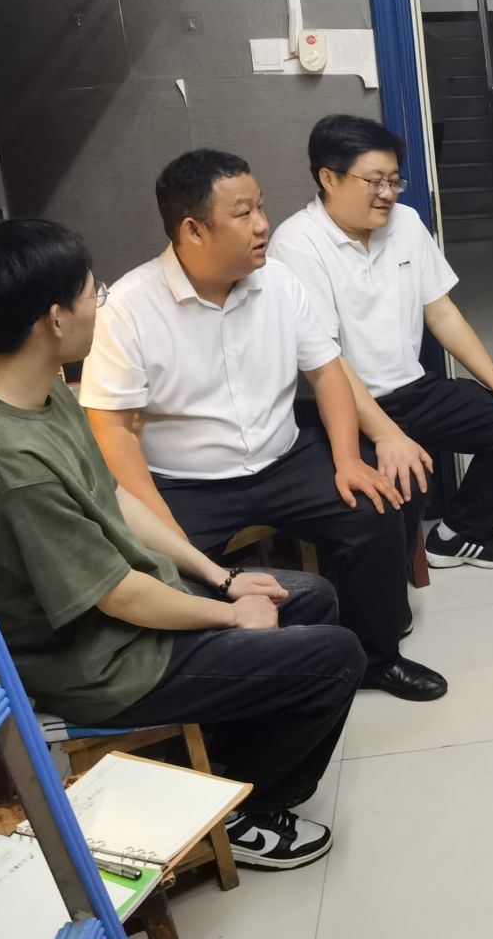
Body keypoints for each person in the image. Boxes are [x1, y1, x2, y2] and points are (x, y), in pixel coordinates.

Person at [0, 218, 359, 868]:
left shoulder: (36, 387)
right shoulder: (4, 459)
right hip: (98, 664)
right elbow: (120, 598)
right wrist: (228, 614)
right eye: (91, 293)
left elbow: (113, 496)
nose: (99, 304)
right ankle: (240, 812)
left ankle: (228, 763)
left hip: (130, 614)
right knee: (335, 657)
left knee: (309, 598)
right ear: (53, 318)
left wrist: (221, 578)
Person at [80, 149, 447, 704]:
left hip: (284, 459)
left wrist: (348, 460)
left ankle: (376, 659)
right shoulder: (128, 308)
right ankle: (247, 685)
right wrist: (161, 524)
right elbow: (114, 431)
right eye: (243, 213)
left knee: (375, 508)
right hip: (185, 482)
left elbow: (327, 373)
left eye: (261, 208)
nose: (262, 225)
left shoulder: (278, 282)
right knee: (158, 566)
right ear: (193, 230)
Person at [269, 115, 493, 570]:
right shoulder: (296, 245)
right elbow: (326, 362)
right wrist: (387, 435)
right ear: (329, 178)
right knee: (392, 494)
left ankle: (460, 534)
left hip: (413, 390)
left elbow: (441, 312)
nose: (387, 193)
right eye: (374, 181)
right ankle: (379, 592)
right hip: (342, 406)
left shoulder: (407, 222)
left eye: (394, 181)